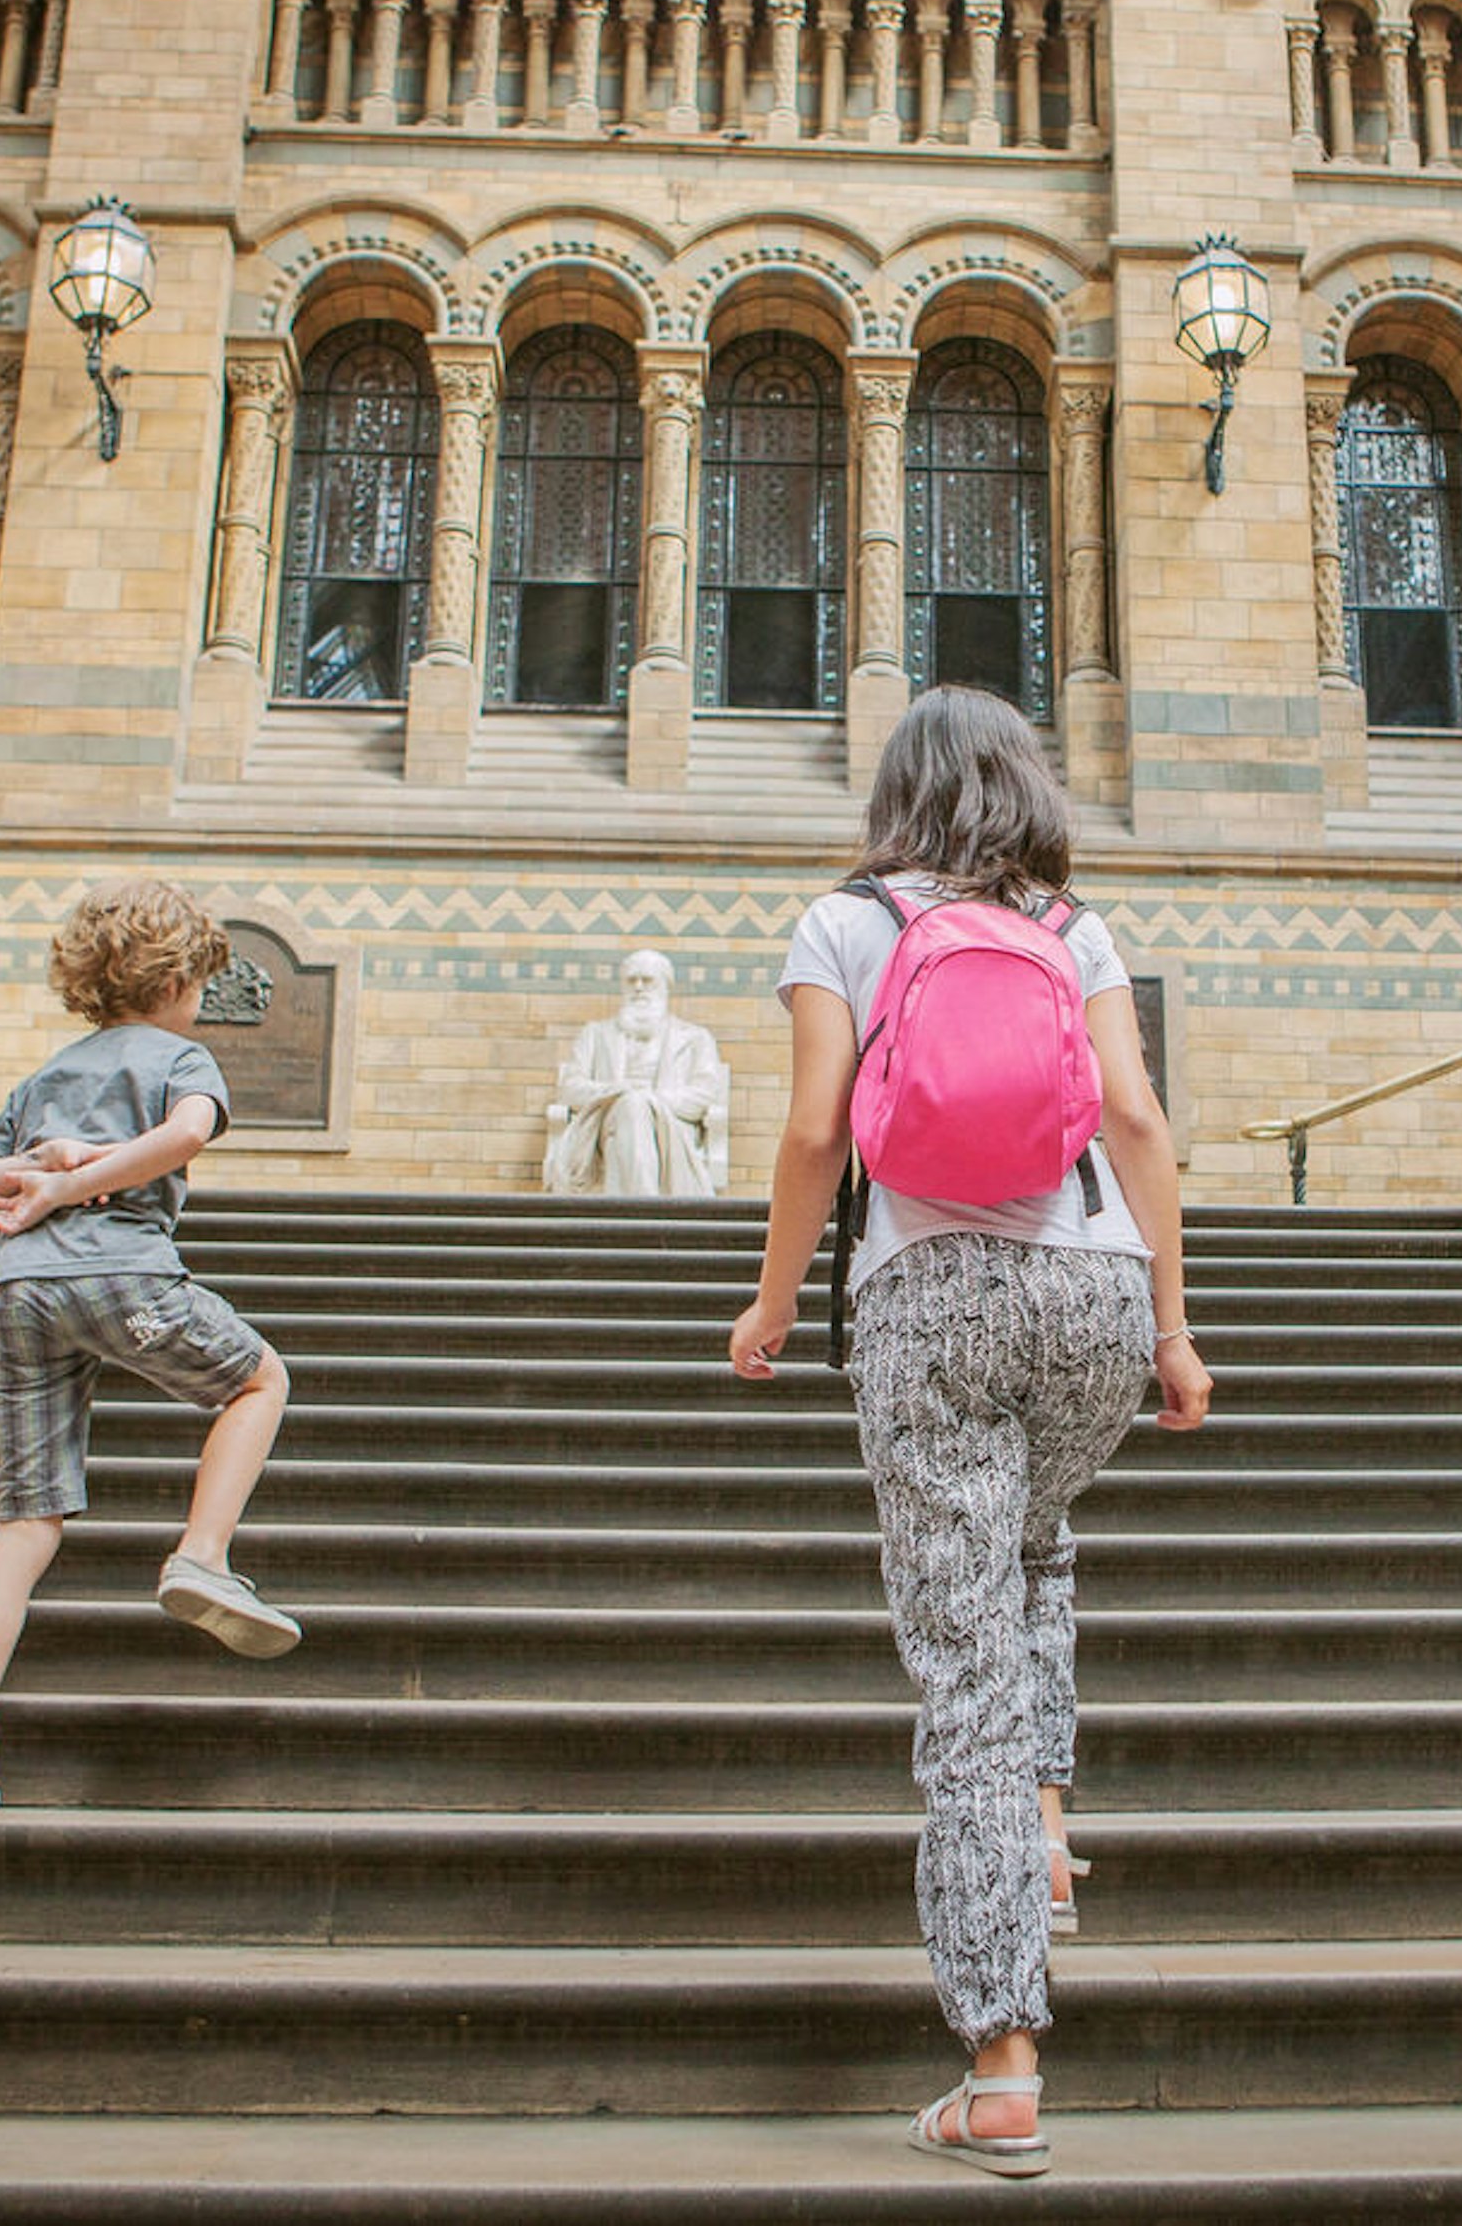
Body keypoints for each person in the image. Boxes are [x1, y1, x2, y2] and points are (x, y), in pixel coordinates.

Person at [725, 683, 1211, 2180]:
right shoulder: (1073, 926)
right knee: (1036, 1546)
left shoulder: (846, 923)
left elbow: (816, 1135)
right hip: (1096, 1297)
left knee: (964, 1668)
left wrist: (771, 1307)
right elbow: (1138, 1125)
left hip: (932, 1298)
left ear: (897, 790)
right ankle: (1044, 1836)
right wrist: (1177, 1330)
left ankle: (1002, 2058)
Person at [0, 877, 302, 1814]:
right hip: (119, 1275)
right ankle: (201, 1554)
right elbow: (184, 1138)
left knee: (23, 1521)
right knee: (258, 1380)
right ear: (176, 979)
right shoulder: (181, 1056)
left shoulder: (49, 1075)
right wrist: (75, 1182)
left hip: (19, 1296)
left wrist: (34, 1172)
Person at [543, 947, 730, 1196]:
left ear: (665, 985)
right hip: (602, 1126)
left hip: (670, 1128)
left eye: (647, 980)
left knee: (633, 1111)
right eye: (631, 980)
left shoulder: (695, 1038)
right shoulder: (596, 1034)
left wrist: (651, 1100)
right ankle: (646, 1214)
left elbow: (704, 1094)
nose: (638, 987)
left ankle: (630, 1219)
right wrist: (619, 1092)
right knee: (631, 1106)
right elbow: (571, 1089)